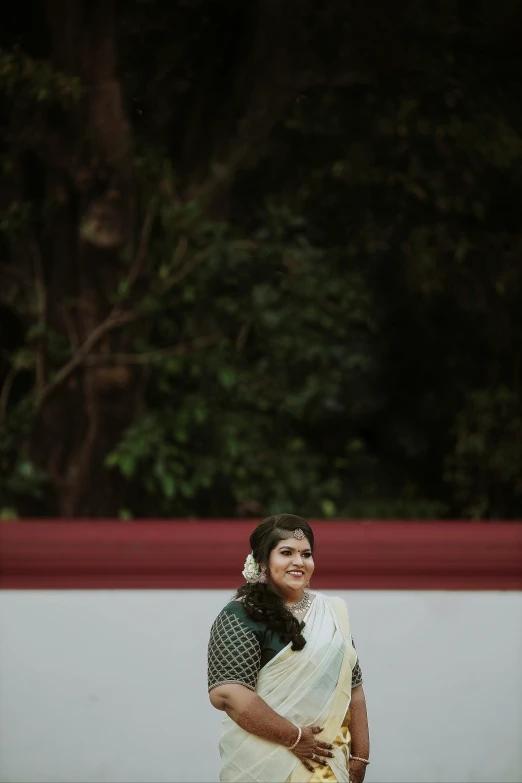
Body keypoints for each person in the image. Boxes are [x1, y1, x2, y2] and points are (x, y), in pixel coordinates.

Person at [207, 514, 370, 783]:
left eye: (306, 554)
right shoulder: (240, 615)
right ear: (262, 561)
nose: (298, 562)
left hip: (327, 767)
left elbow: (354, 689)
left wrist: (360, 756)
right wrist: (294, 737)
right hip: (263, 765)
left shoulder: (332, 614)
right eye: (286, 553)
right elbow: (228, 693)